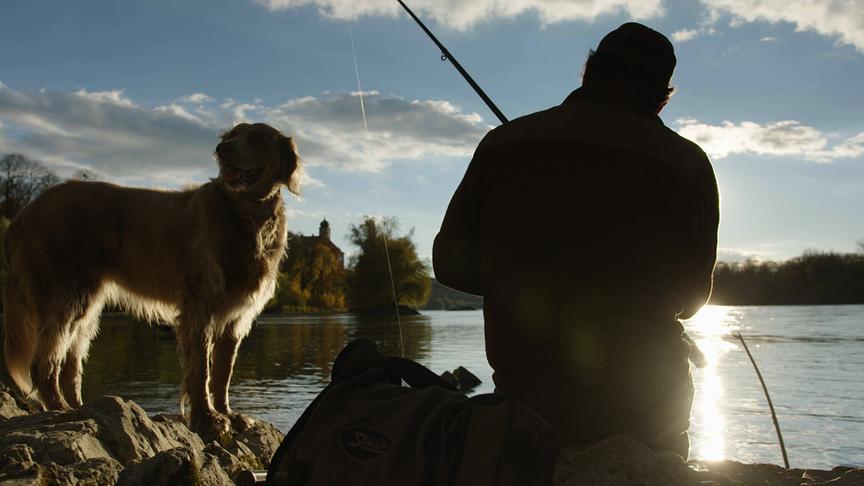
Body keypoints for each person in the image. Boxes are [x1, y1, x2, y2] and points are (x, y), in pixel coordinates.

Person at [433, 23, 719, 458]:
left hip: (528, 410)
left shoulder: (502, 145)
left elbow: (449, 264)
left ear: (588, 72)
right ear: (662, 96)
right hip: (647, 414)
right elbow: (692, 298)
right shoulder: (688, 165)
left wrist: (530, 280)